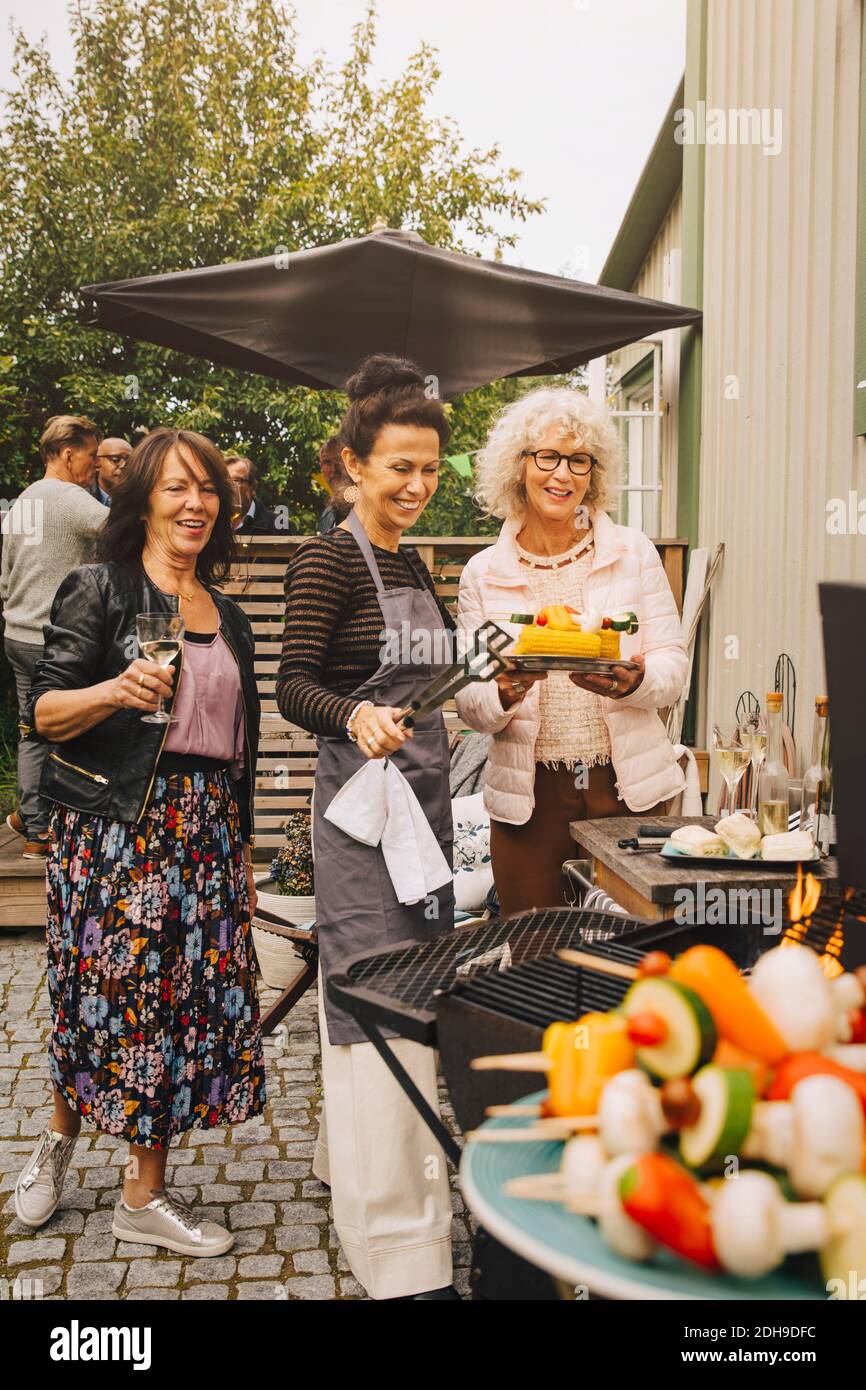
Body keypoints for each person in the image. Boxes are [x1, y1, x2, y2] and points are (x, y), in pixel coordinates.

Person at [14, 428, 265, 1257]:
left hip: (201, 834)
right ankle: (60, 1138)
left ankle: (140, 1195)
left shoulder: (227, 615)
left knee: (175, 1009)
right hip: (116, 829)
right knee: (101, 997)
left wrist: (241, 853)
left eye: (207, 492)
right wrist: (114, 690)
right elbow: (43, 716)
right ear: (143, 502)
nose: (196, 504)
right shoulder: (100, 589)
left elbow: (238, 747)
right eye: (175, 489)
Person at [276, 354, 458, 1300]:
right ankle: (397, 1249)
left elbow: (427, 685)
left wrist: (481, 683)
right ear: (353, 464)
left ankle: (349, 1170)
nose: (419, 487)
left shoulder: (411, 560)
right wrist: (352, 714)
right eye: (400, 468)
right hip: (359, 818)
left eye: (430, 470)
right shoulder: (327, 558)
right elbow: (293, 686)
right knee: (372, 1003)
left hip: (421, 813)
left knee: (413, 995)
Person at [456, 387, 688, 918]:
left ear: (594, 473)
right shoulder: (484, 573)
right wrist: (505, 690)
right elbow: (471, 704)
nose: (562, 475)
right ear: (519, 466)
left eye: (578, 460)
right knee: (537, 959)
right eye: (548, 457)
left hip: (627, 788)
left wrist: (635, 682)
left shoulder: (632, 553)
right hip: (529, 798)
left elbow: (673, 668)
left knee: (636, 952)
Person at [1, 415, 106, 858]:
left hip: (16, 629)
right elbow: (122, 530)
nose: (97, 465)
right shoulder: (69, 497)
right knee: (68, 727)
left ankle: (31, 823)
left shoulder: (24, 499)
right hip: (54, 635)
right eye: (92, 454)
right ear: (68, 454)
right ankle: (47, 828)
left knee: (33, 730)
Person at [226, 454, 280, 534]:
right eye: (225, 482)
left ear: (252, 487)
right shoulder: (213, 524)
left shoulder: (278, 527)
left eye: (236, 481)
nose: (230, 487)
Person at [316, 435, 352, 534]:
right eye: (327, 462)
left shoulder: (369, 503)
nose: (334, 469)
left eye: (339, 460)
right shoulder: (327, 514)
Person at [90, 436, 132, 504]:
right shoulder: (83, 497)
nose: (124, 465)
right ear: (97, 462)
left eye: (130, 460)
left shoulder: (139, 498)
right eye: (115, 459)